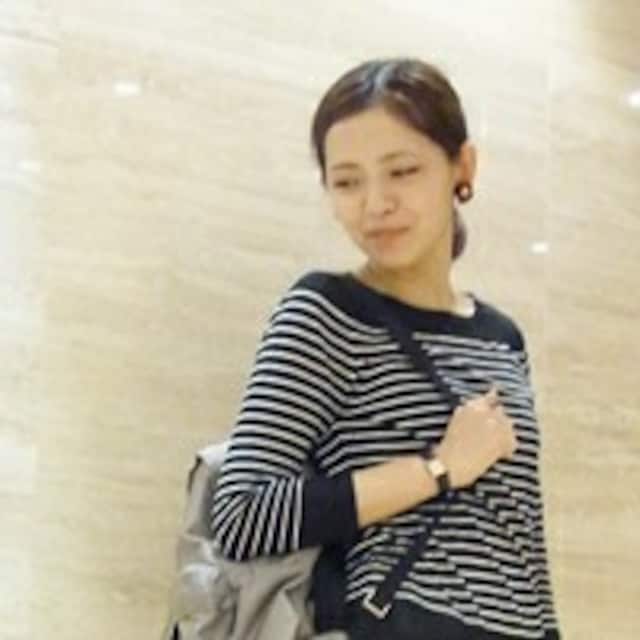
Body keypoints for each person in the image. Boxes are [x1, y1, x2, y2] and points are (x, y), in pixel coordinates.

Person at [209, 57, 562, 639]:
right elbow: (243, 515)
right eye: (348, 181)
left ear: (462, 167)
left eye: (402, 171)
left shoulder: (502, 338)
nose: (375, 203)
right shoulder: (327, 312)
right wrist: (439, 468)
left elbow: (519, 542)